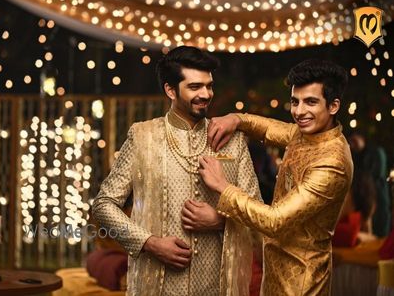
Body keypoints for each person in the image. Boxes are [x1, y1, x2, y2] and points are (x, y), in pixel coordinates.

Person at [92, 46, 261, 296]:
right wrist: (150, 243)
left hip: (217, 287)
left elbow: (259, 218)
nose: (205, 94)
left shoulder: (233, 142)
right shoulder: (143, 137)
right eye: (194, 87)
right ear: (170, 90)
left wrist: (220, 221)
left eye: (209, 86)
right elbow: (103, 205)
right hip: (157, 285)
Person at [199, 59, 353, 295]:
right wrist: (237, 118)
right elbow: (269, 129)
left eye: (311, 102)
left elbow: (275, 221)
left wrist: (222, 186)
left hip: (301, 280)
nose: (299, 112)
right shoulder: (305, 134)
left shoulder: (332, 162)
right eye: (295, 102)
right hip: (275, 270)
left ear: (333, 106)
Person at [348, 132, 391, 236]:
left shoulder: (377, 152)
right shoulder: (355, 155)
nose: (353, 145)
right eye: (351, 142)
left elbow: (375, 174)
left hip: (378, 195)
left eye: (354, 140)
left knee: (380, 226)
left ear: (362, 138)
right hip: (365, 197)